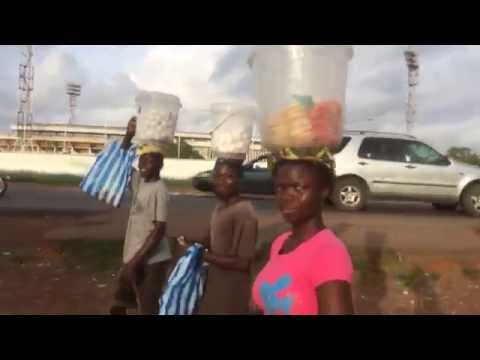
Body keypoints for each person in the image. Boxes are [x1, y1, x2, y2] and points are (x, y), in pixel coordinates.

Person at [252, 155, 354, 315]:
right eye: (280, 188)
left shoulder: (328, 253)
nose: (286, 196)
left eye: (298, 188)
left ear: (324, 191)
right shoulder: (281, 243)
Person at [180, 158, 258, 315]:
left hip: (232, 291)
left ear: (239, 181)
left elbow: (243, 263)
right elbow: (209, 240)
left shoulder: (244, 212)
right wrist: (189, 242)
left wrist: (203, 255)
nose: (221, 181)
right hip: (214, 284)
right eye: (217, 176)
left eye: (228, 176)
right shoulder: (220, 208)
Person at [110, 145, 172, 315]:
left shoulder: (160, 190)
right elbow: (120, 163)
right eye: (141, 159)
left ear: (160, 163)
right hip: (132, 257)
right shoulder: (140, 182)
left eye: (148, 160)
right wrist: (128, 137)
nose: (142, 164)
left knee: (148, 305)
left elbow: (159, 230)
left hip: (152, 260)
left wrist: (136, 261)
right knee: (119, 303)